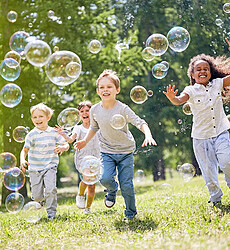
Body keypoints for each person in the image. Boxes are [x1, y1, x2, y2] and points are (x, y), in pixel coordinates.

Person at [163, 35, 230, 207]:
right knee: (208, 172)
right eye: (198, 69)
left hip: (221, 132)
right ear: (192, 74)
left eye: (206, 68)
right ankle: (215, 198)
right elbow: (179, 100)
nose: (202, 71)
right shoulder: (190, 90)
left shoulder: (217, 84)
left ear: (211, 71)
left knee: (227, 162)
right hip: (201, 138)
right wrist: (172, 98)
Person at [74, 69, 157, 220]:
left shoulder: (123, 108)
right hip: (106, 151)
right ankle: (112, 190)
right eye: (102, 87)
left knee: (127, 186)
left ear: (117, 89)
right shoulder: (94, 110)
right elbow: (94, 127)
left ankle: (130, 214)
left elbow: (140, 122)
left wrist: (148, 134)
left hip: (125, 152)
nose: (105, 90)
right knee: (104, 178)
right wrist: (84, 141)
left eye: (109, 86)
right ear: (98, 91)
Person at [20, 103, 69, 219]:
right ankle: (39, 202)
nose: (38, 119)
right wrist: (22, 159)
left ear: (48, 117)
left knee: (51, 189)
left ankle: (51, 214)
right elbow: (24, 150)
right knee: (37, 196)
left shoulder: (53, 132)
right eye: (35, 117)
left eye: (41, 116)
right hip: (35, 169)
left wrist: (63, 147)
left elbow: (65, 144)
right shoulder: (31, 135)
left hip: (50, 166)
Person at [55, 101, 100, 214]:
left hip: (96, 157)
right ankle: (80, 195)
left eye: (87, 111)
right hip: (82, 158)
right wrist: (63, 134)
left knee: (92, 186)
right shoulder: (78, 128)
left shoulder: (97, 126)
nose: (84, 113)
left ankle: (88, 208)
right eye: (82, 111)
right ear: (79, 115)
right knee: (86, 178)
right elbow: (70, 140)